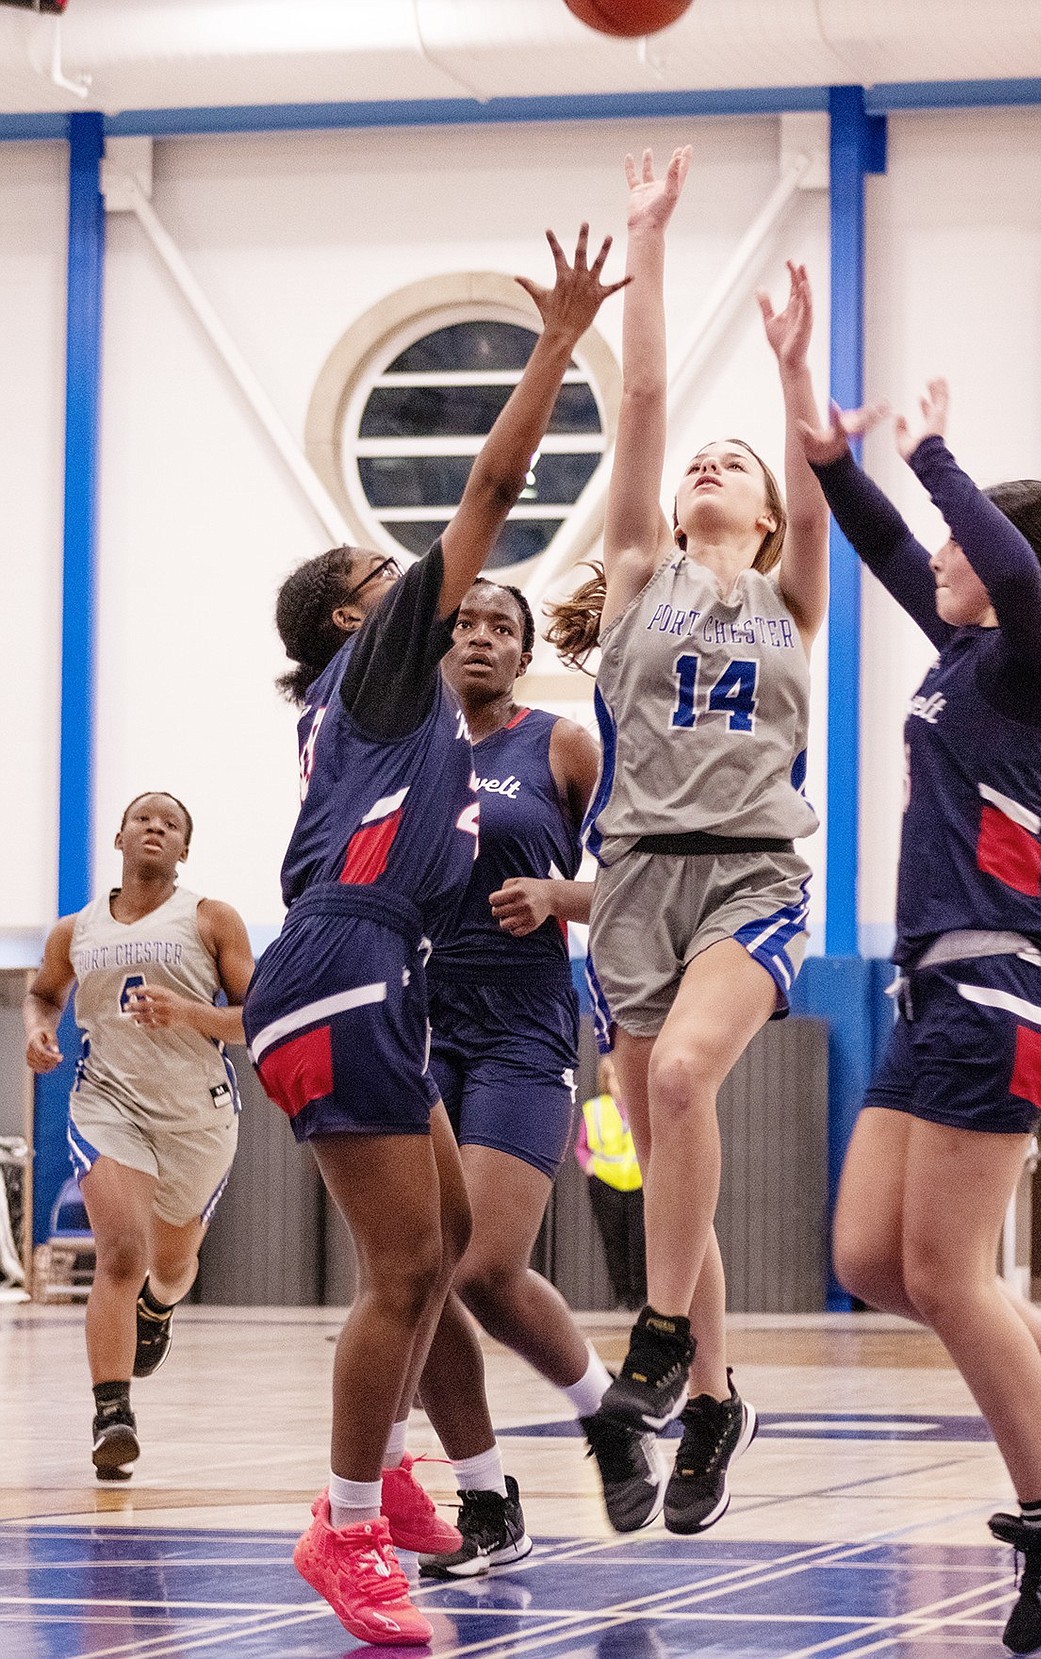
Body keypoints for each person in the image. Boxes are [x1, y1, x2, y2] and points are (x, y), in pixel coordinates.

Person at [243, 225, 624, 1649]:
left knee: (454, 1232)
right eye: (385, 569)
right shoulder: (387, 650)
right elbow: (492, 480)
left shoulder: (377, 696)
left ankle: (393, 1477)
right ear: (362, 609)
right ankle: (344, 1522)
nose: (427, 578)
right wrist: (557, 342)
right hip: (340, 962)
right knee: (409, 1267)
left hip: (370, 966)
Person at [546, 146, 829, 1536]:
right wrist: (651, 239)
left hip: (753, 871)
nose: (711, 464)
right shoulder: (639, 574)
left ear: (767, 511)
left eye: (741, 465)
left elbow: (813, 470)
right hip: (638, 882)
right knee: (665, 1144)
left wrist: (791, 376)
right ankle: (711, 1392)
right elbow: (646, 395)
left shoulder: (793, 589)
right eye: (700, 464)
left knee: (690, 1079)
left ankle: (657, 1334)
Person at [799, 378, 1041, 1655]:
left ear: (995, 555)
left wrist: (929, 453)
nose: (934, 561)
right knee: (870, 1259)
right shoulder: (964, 653)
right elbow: (881, 550)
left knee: (941, 1270)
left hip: (1002, 983)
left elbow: (1013, 572)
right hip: (932, 992)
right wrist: (830, 465)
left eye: (955, 546)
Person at [413, 577, 666, 1575]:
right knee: (415, 1278)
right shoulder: (400, 752)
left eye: (499, 628)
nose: (478, 637)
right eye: (463, 624)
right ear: (438, 647)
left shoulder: (558, 746)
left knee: (482, 1264)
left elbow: (646, 883)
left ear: (522, 654)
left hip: (520, 1027)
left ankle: (602, 1416)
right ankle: (485, 1501)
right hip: (415, 1025)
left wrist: (560, 893)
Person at [23, 792, 254, 1481]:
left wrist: (189, 1012)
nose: (156, 824)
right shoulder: (75, 929)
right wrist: (37, 1028)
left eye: (172, 822)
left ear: (185, 848)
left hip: (198, 1115)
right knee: (122, 1252)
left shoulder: (211, 918)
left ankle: (159, 1306)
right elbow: (44, 992)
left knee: (173, 1265)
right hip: (108, 1103)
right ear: (119, 836)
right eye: (144, 816)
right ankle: (112, 1414)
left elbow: (257, 1014)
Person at [575, 1054, 646, 1311]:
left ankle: (642, 1297)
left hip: (640, 1182)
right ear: (606, 1081)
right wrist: (589, 1166)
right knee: (614, 1240)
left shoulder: (644, 1104)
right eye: (613, 1077)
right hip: (605, 1182)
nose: (619, 1082)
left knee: (641, 1239)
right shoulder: (594, 1109)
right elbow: (581, 1146)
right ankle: (623, 1297)